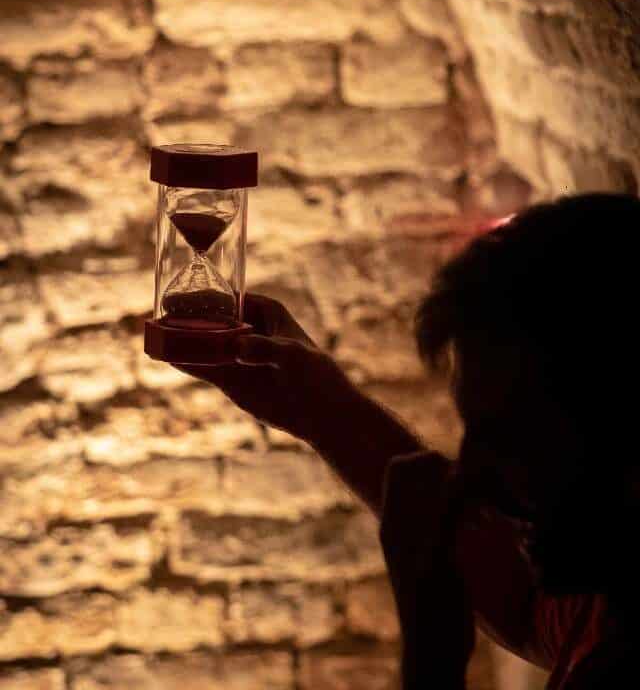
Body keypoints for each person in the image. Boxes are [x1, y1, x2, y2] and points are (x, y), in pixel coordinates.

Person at [175, 192, 640, 689]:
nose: (470, 474)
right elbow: (527, 612)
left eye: (513, 441)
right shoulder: (608, 596)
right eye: (473, 434)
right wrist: (323, 411)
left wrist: (431, 655)